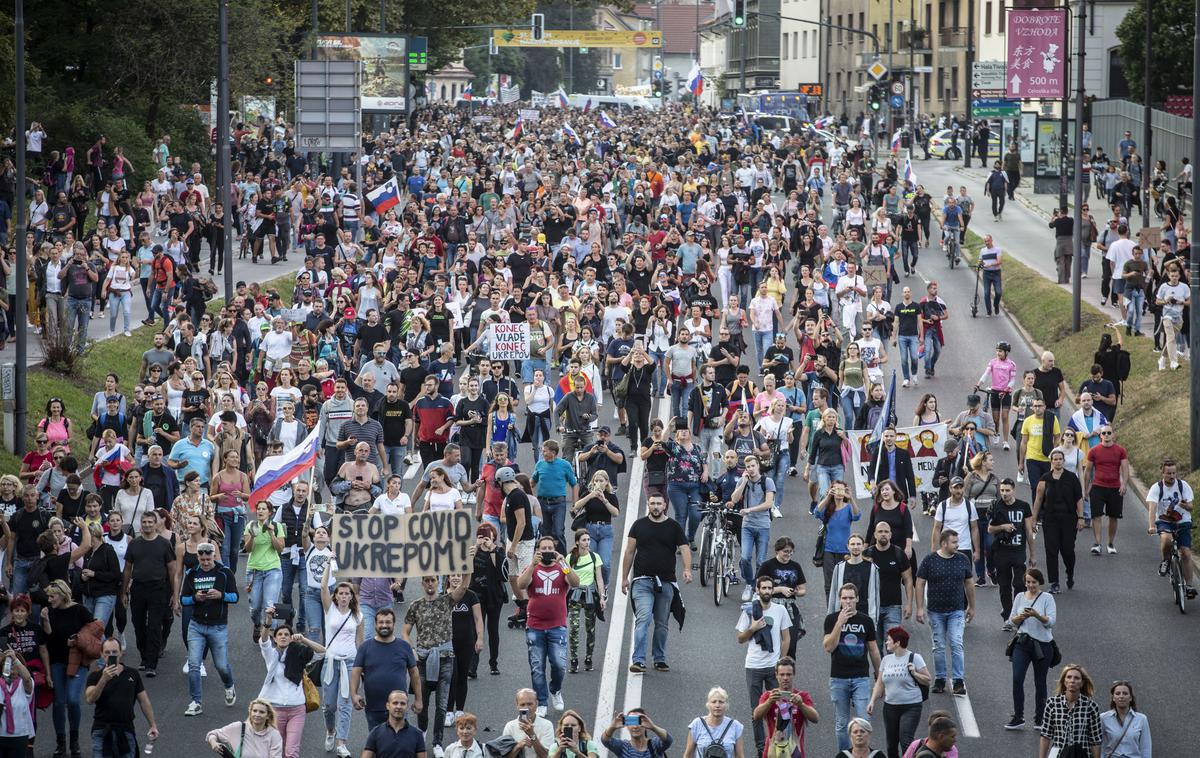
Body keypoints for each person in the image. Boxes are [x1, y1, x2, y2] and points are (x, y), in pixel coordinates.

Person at [620, 492, 691, 674]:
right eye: (652, 503)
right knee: (643, 618)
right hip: (642, 580)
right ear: (648, 505)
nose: (656, 507)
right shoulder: (638, 525)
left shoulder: (673, 527)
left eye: (659, 503)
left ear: (665, 505)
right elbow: (629, 552)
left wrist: (687, 569)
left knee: (662, 623)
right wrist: (624, 578)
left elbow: (684, 548)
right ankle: (638, 660)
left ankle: (659, 659)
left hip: (666, 582)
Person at [402, 572, 473, 753]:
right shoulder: (415, 605)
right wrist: (412, 651)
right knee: (422, 703)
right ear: (422, 583)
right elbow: (405, 633)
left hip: (445, 658)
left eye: (433, 580)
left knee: (441, 705)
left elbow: (463, 587)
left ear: (438, 582)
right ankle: (422, 733)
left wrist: (469, 566)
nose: (430, 584)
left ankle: (437, 743)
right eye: (426, 580)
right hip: (424, 659)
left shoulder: (447, 601)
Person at [517, 535, 579, 715]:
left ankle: (555, 689)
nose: (546, 552)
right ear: (538, 551)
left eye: (549, 548)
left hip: (557, 626)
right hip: (535, 625)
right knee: (537, 667)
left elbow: (575, 583)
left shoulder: (561, 568)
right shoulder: (533, 568)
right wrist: (532, 565)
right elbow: (521, 584)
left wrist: (564, 564)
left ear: (555, 549)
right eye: (543, 549)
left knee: (559, 665)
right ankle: (542, 701)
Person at [735, 575, 792, 757]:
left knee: (781, 707)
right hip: (753, 666)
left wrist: (781, 663)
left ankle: (778, 744)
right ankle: (761, 749)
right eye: (764, 588)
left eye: (769, 588)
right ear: (757, 591)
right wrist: (752, 628)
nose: (767, 591)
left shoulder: (780, 610)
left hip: (773, 667)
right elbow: (740, 639)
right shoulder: (749, 611)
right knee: (757, 712)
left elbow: (786, 637)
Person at [180, 540, 239, 717]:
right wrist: (195, 598)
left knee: (221, 665)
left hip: (218, 626)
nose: (205, 562)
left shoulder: (224, 573)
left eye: (208, 558)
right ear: (198, 557)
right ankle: (196, 702)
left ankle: (229, 685)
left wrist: (221, 595)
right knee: (194, 664)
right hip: (196, 625)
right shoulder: (191, 574)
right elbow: (183, 600)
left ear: (214, 555)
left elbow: (235, 597)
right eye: (202, 559)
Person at [256, 613, 325, 758]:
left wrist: (304, 639)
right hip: (275, 709)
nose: (283, 636)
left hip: (297, 709)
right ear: (274, 639)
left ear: (291, 638)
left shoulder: (299, 652)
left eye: (286, 634)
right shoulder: (270, 655)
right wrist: (268, 620)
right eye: (279, 634)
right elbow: (263, 641)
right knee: (277, 750)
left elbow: (322, 652)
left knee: (291, 751)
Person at [914, 531, 974, 696]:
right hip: (935, 612)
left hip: (957, 610)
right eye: (954, 542)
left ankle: (958, 681)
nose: (957, 545)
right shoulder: (930, 560)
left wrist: (972, 607)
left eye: (957, 541)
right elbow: (919, 582)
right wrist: (919, 608)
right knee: (939, 646)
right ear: (944, 543)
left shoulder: (962, 559)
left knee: (956, 643)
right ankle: (940, 679)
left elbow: (969, 583)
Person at [822, 583, 880, 752]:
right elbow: (828, 647)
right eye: (844, 598)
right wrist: (840, 623)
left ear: (857, 599)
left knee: (863, 721)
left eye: (851, 598)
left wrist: (879, 675)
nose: (848, 602)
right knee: (842, 722)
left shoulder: (866, 621)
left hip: (861, 677)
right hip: (838, 678)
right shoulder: (832, 619)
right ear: (839, 600)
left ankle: (862, 754)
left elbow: (873, 649)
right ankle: (844, 754)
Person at [121, 511, 178, 677]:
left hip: (158, 589)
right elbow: (127, 569)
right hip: (138, 588)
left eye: (150, 522)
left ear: (155, 524)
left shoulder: (164, 544)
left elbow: (172, 568)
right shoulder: (135, 544)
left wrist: (174, 592)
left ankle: (151, 663)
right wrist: (124, 591)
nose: (147, 525)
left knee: (154, 626)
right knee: (138, 625)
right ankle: (144, 657)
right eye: (144, 522)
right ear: (141, 523)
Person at [83, 637, 159, 758]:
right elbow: (90, 699)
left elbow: (144, 701)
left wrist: (153, 725)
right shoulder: (95, 676)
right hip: (101, 731)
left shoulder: (132, 674)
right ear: (102, 654)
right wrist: (103, 679)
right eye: (107, 652)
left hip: (125, 730)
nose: (111, 655)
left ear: (121, 653)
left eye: (114, 652)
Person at [351, 607, 422, 731]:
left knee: (400, 744)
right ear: (375, 624)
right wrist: (354, 694)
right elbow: (356, 672)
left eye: (388, 622)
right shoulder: (365, 647)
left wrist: (418, 699)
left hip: (399, 707)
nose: (384, 625)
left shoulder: (404, 646)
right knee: (377, 745)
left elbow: (414, 673)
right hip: (374, 708)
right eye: (381, 622)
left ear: (394, 624)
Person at [317, 567, 362, 758]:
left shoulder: (358, 616)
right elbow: (322, 587)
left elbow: (360, 642)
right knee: (329, 706)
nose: (344, 596)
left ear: (352, 597)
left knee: (345, 704)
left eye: (347, 594)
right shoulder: (330, 610)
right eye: (340, 593)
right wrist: (328, 563)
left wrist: (362, 666)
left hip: (350, 663)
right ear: (335, 596)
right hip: (331, 662)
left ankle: (342, 742)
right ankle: (330, 731)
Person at [1005, 568, 1057, 731]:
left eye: (1033, 582)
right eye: (1028, 582)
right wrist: (1020, 617)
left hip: (1042, 645)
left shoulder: (1047, 598)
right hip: (1022, 643)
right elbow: (1011, 621)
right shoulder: (1020, 596)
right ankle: (1018, 716)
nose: (1030, 585)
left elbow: (1051, 622)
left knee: (1040, 682)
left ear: (1039, 582)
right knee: (1017, 678)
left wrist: (1036, 615)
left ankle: (1040, 718)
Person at [868, 626, 929, 758]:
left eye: (889, 640)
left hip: (911, 705)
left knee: (906, 741)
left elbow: (928, 680)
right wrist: (872, 700)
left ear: (898, 643)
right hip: (890, 706)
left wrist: (915, 673)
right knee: (891, 744)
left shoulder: (915, 657)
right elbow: (879, 683)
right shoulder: (886, 660)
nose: (886, 642)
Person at [1031, 451, 1085, 593]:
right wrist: (1034, 519)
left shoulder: (1072, 478)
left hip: (1069, 519)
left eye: (1060, 459)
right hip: (1050, 519)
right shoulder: (1044, 480)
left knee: (1068, 550)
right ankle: (1054, 582)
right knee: (1051, 551)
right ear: (1051, 461)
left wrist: (1081, 518)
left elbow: (1079, 499)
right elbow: (1038, 500)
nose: (1058, 462)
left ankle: (1070, 572)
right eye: (1055, 459)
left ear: (1064, 461)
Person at [989, 479, 1037, 627]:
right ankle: (1007, 617)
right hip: (1002, 551)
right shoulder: (996, 506)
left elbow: (1029, 531)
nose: (1004, 494)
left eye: (1007, 490)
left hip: (1018, 551)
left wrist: (1032, 554)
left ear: (1014, 490)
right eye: (1002, 491)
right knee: (1004, 586)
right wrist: (1003, 527)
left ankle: (1016, 613)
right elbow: (990, 529)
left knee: (1019, 583)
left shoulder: (1023, 506)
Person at [751, 657, 819, 758]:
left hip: (795, 751)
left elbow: (815, 718)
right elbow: (756, 716)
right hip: (772, 751)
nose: (785, 678)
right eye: (782, 674)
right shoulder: (769, 695)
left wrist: (801, 704)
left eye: (789, 674)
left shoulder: (802, 696)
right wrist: (769, 701)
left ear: (794, 675)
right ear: (776, 675)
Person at [1148, 458, 1195, 598]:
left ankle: (1189, 586)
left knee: (1186, 552)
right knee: (1166, 539)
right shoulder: (1157, 488)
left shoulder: (1183, 486)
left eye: (1174, 473)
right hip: (1164, 521)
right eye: (1168, 473)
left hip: (1183, 521)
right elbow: (1152, 508)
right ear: (1162, 472)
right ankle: (1166, 560)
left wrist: (1184, 505)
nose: (1172, 476)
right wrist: (1151, 526)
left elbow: (1191, 507)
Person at [1082, 424, 1129, 556]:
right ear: (1100, 436)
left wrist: (1124, 484)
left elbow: (1125, 468)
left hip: (1115, 487)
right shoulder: (1094, 451)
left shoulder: (1120, 450)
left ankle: (1110, 543)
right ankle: (1097, 543)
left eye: (1109, 433)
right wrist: (1086, 489)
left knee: (1113, 516)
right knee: (1096, 515)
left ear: (1113, 434)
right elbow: (1088, 471)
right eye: (1104, 433)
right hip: (1098, 486)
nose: (1106, 436)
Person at [1039, 665, 1103, 758]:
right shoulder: (1052, 703)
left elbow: (1095, 740)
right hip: (1057, 754)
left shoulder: (1091, 706)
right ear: (1064, 681)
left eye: (1076, 678)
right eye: (1069, 677)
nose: (1072, 681)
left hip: (1081, 754)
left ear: (1082, 683)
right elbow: (1045, 735)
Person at [565, 529, 605, 674]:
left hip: (590, 596)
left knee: (590, 629)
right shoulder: (569, 558)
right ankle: (574, 659)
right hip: (575, 595)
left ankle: (589, 658)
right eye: (584, 540)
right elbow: (565, 577)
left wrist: (602, 597)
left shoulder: (595, 557)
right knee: (574, 628)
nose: (587, 542)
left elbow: (599, 579)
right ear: (577, 542)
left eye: (588, 540)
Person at [205, 699, 285, 758]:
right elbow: (213, 734)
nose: (257, 714)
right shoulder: (238, 727)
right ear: (250, 712)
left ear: (268, 716)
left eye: (262, 712)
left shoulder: (274, 734)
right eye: (254, 711)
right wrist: (213, 743)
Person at [682, 687, 744, 758]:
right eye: (714, 702)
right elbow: (688, 755)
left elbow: (740, 756)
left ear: (726, 705)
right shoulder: (697, 724)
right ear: (708, 705)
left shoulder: (735, 726)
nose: (717, 705)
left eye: (721, 702)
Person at [363, 690, 427, 758]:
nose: (399, 706)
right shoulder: (375, 733)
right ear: (388, 706)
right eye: (395, 703)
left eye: (402, 703)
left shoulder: (417, 735)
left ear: (407, 707)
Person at [1099, 682, 1151, 758]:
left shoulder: (1141, 719)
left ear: (1130, 698)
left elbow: (1145, 748)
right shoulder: (1103, 718)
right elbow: (1101, 746)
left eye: (1125, 693)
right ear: (1113, 698)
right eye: (1117, 693)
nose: (1121, 696)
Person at [0, 647, 36, 758]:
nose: (10, 669)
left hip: (19, 735)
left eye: (13, 665)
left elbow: (27, 678)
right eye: (7, 665)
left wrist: (15, 659)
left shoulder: (23, 684)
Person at [501, 688, 556, 758]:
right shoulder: (510, 726)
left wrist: (532, 735)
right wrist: (518, 746)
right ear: (517, 706)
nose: (526, 708)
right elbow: (504, 756)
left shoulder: (547, 725)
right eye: (522, 704)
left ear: (536, 704)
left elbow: (546, 756)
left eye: (530, 704)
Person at [600, 708, 672, 758]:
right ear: (627, 726)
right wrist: (612, 727)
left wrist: (653, 727)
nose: (635, 726)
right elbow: (605, 740)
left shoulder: (654, 745)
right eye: (631, 721)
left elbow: (668, 740)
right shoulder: (623, 747)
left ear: (646, 725)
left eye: (639, 722)